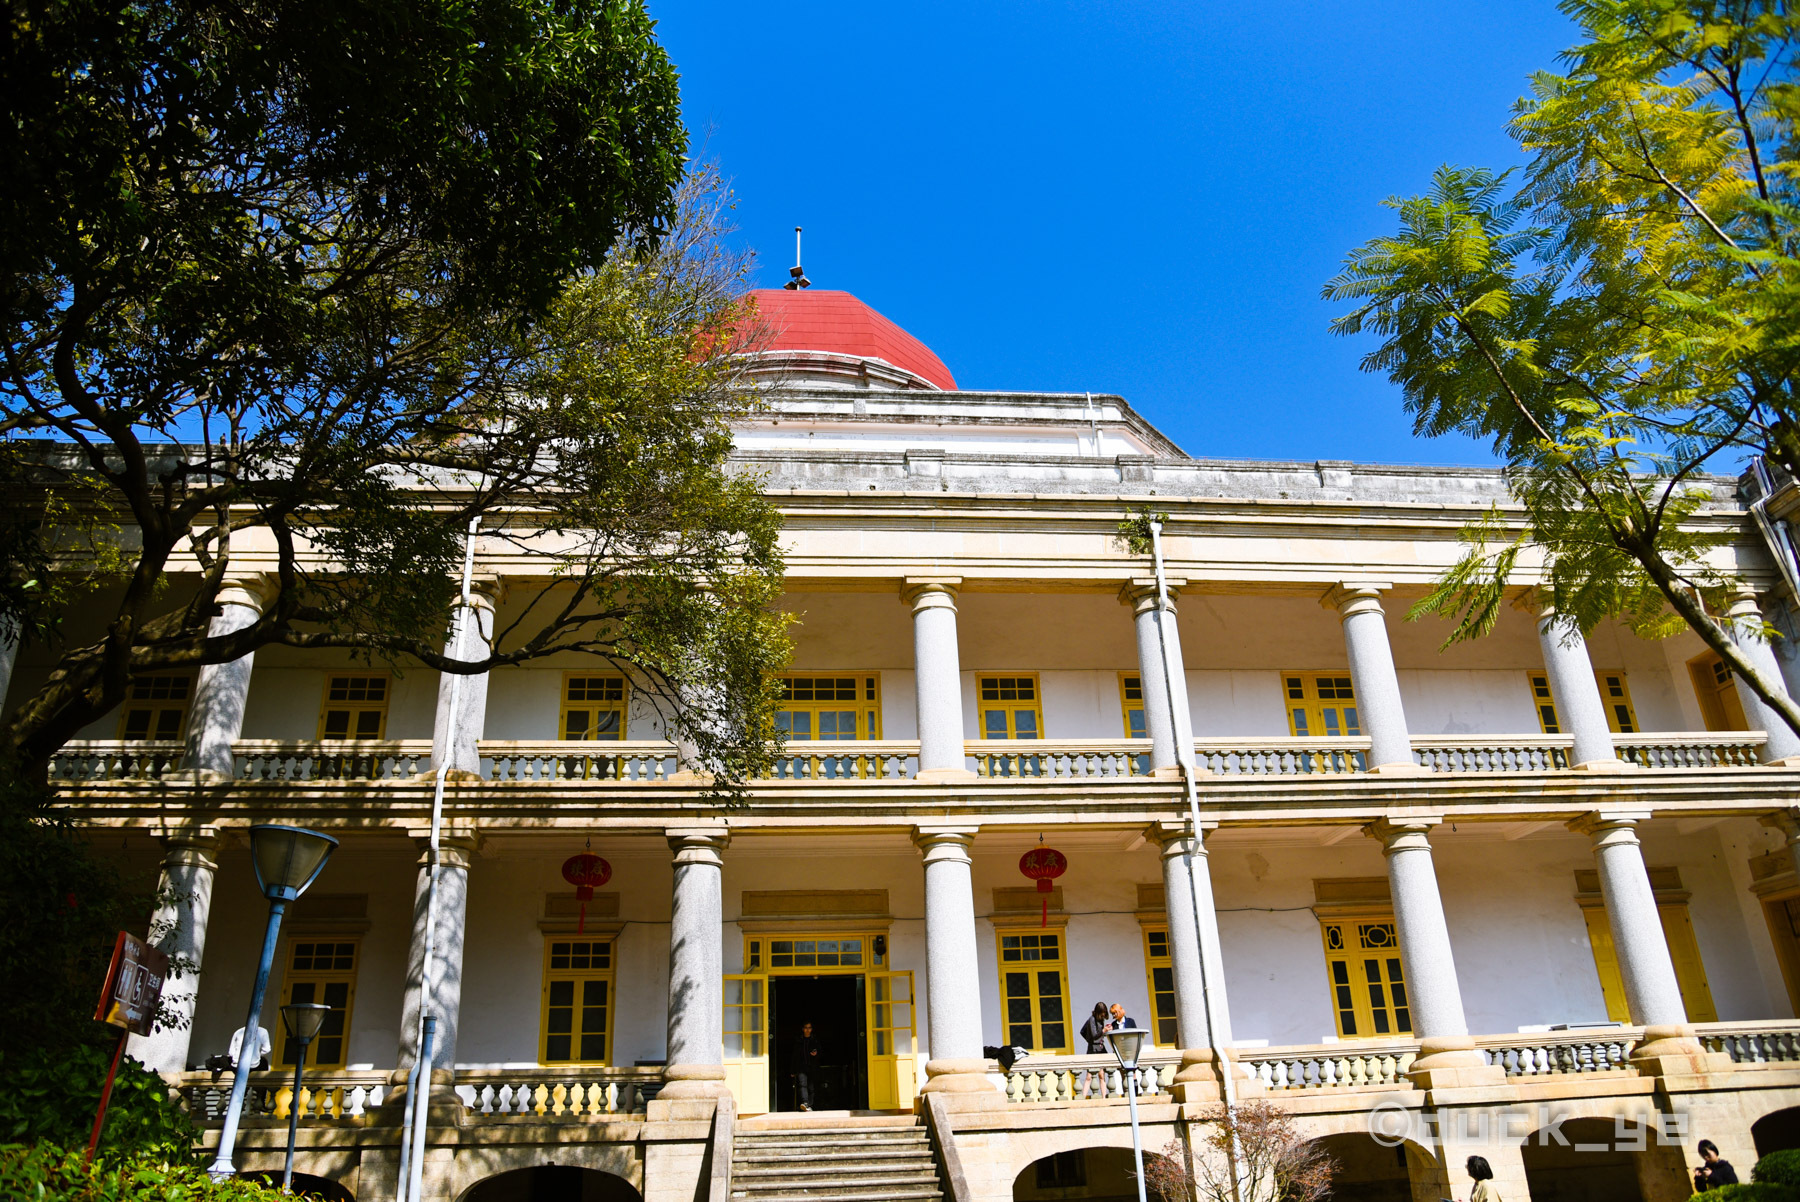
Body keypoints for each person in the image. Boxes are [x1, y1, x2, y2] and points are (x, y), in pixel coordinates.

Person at [791, 1020, 821, 1112]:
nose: (807, 1030)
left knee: (811, 1087)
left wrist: (816, 1054)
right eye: (806, 1028)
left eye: (809, 1028)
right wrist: (792, 1070)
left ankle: (810, 1105)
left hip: (812, 1067)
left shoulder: (815, 1040)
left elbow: (821, 1053)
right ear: (803, 1029)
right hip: (801, 1067)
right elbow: (794, 1056)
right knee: (802, 1085)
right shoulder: (798, 1041)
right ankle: (805, 1103)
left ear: (811, 1029)